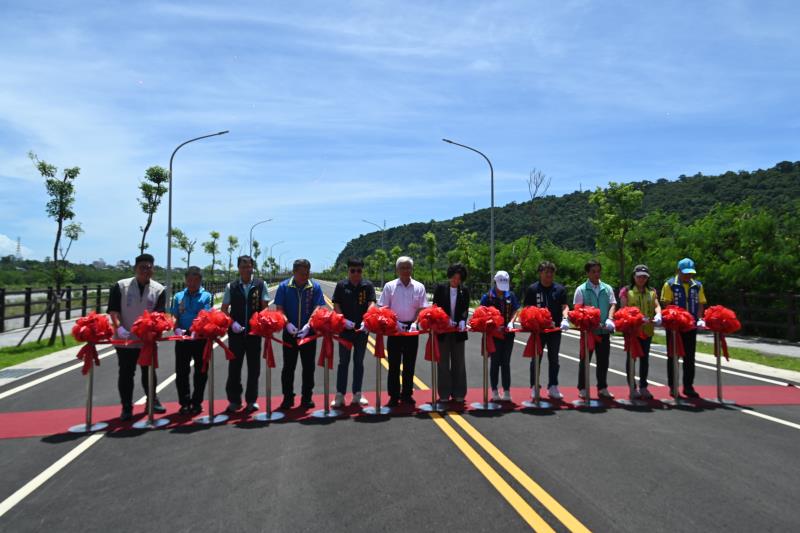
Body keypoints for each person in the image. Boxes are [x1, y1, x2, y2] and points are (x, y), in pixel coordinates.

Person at [107, 253, 167, 421]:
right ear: (135, 269)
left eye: (149, 268)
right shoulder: (120, 286)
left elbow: (159, 315)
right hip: (125, 339)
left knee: (149, 372)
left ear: (153, 270)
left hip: (147, 340)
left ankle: (152, 400)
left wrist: (153, 331)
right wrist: (119, 328)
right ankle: (126, 407)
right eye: (142, 268)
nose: (146, 271)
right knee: (126, 373)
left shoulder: (159, 289)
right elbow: (113, 311)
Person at [274, 259, 326, 410]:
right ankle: (288, 397)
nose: (305, 276)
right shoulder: (284, 286)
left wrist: (309, 324)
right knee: (288, 367)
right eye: (302, 273)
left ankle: (307, 397)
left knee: (308, 367)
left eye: (307, 273)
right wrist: (287, 323)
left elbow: (317, 306)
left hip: (308, 333)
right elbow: (279, 308)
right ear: (294, 272)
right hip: (289, 333)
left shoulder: (314, 287)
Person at [378, 256, 429, 407]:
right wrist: (394, 322)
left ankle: (407, 394)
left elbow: (423, 308)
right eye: (402, 267)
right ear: (397, 269)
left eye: (408, 267)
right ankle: (393, 395)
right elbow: (383, 307)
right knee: (393, 364)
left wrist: (415, 322)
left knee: (409, 363)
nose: (406, 270)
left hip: (412, 329)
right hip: (394, 329)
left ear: (412, 269)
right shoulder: (390, 286)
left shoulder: (419, 286)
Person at [221, 255, 270, 414]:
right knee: (234, 368)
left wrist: (259, 322)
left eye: (248, 266)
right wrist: (232, 323)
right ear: (238, 268)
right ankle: (234, 400)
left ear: (252, 267)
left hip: (254, 334)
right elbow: (224, 309)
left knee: (254, 368)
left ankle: (251, 400)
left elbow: (264, 308)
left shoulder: (260, 285)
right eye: (243, 266)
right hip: (235, 334)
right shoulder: (232, 286)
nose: (246, 269)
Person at [331, 258, 376, 407]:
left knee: (359, 362)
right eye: (353, 270)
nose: (356, 273)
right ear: (348, 271)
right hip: (345, 330)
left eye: (359, 271)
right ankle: (340, 395)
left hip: (362, 331)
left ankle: (357, 393)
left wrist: (367, 319)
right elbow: (336, 304)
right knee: (343, 362)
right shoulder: (341, 285)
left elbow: (372, 303)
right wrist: (342, 320)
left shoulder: (367, 286)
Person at [522, 261, 570, 400]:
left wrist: (566, 318)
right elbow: (526, 308)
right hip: (538, 331)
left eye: (551, 272)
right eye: (546, 272)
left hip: (554, 330)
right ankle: (534, 386)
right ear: (540, 273)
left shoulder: (559, 289)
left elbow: (564, 306)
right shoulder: (533, 289)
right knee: (536, 359)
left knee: (554, 358)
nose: (549, 275)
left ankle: (553, 386)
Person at [660, 257, 707, 398]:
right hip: (675, 327)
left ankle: (688, 386)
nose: (688, 276)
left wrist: (699, 319)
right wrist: (674, 319)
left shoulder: (697, 285)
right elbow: (666, 304)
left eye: (690, 273)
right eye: (685, 273)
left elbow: (700, 303)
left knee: (689, 357)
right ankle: (673, 386)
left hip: (690, 326)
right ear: (678, 271)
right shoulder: (670, 284)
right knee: (673, 356)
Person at [170, 266, 213, 415]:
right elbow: (174, 315)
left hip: (200, 337)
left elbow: (205, 315)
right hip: (182, 336)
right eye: (189, 280)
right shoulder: (178, 296)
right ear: (185, 280)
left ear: (200, 280)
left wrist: (196, 329)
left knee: (201, 371)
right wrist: (175, 328)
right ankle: (184, 402)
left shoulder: (206, 296)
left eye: (195, 280)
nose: (192, 283)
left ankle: (197, 402)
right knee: (181, 371)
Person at [573, 259, 617, 400]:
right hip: (588, 333)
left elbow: (612, 304)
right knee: (585, 360)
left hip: (604, 331)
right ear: (587, 273)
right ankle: (583, 388)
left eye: (598, 271)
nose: (597, 274)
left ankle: (602, 387)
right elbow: (577, 310)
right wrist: (586, 322)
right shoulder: (581, 289)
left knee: (603, 360)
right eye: (593, 271)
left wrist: (610, 318)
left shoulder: (607, 288)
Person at [619, 264, 662, 400]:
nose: (642, 279)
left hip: (647, 330)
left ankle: (643, 386)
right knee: (631, 359)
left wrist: (658, 314)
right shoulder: (626, 291)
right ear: (634, 277)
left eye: (644, 277)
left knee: (645, 359)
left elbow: (656, 305)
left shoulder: (652, 291)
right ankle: (632, 387)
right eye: (639, 277)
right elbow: (623, 310)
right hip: (632, 331)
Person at [480, 270, 520, 402]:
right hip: (493, 335)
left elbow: (515, 309)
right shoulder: (487, 297)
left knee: (506, 362)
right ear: (495, 283)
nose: (502, 290)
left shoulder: (511, 295)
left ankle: (507, 390)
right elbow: (481, 313)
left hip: (508, 334)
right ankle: (494, 390)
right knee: (495, 362)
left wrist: (511, 322)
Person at [432, 263, 470, 403]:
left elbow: (465, 309)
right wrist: (445, 319)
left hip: (458, 332)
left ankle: (459, 392)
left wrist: (462, 320)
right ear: (450, 276)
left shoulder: (464, 290)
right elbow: (435, 307)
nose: (456, 281)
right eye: (454, 278)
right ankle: (444, 393)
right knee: (442, 362)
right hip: (443, 330)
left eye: (459, 279)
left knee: (459, 361)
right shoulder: (441, 289)